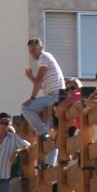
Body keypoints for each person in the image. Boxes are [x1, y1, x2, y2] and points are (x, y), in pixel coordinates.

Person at [22, 38, 66, 167]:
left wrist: (32, 98)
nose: (32, 53)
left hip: (55, 96)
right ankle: (50, 163)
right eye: (30, 51)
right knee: (52, 132)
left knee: (26, 108)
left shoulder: (44, 57)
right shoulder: (45, 58)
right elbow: (42, 84)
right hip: (54, 96)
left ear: (41, 48)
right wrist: (30, 76)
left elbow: (39, 79)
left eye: (34, 49)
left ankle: (43, 132)